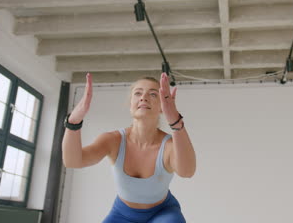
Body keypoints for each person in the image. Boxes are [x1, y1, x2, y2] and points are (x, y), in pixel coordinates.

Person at [62, 72, 196, 223]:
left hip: (162, 213)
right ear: (130, 103)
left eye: (153, 94)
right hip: (122, 214)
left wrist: (176, 123)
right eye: (138, 93)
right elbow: (73, 161)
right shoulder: (113, 140)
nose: (143, 97)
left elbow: (187, 172)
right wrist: (73, 122)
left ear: (162, 107)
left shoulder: (169, 145)